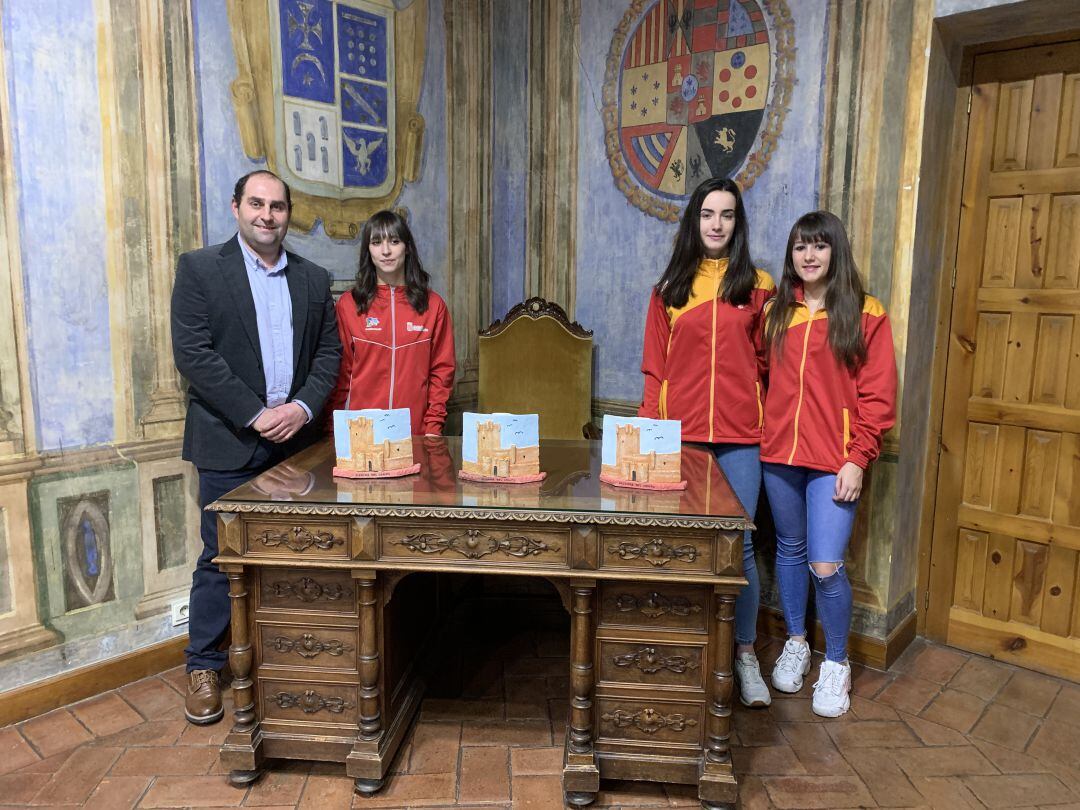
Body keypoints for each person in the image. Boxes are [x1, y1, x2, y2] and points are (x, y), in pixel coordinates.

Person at [171, 170, 341, 725]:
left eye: (277, 207)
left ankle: (289, 657)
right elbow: (195, 355)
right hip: (228, 442)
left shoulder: (315, 279)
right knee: (221, 559)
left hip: (298, 445)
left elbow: (327, 357)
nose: (267, 215)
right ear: (236, 206)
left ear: (289, 213)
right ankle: (203, 665)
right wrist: (257, 413)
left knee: (300, 555)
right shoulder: (199, 270)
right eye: (256, 204)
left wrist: (300, 409)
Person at [638, 177, 776, 708]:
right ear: (694, 222)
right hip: (682, 438)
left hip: (743, 439)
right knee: (685, 544)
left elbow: (772, 366)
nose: (716, 224)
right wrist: (652, 433)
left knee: (738, 546)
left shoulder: (758, 286)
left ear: (738, 224)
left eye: (727, 215)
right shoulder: (670, 287)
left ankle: (743, 656)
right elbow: (655, 370)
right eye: (707, 214)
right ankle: (691, 651)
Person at [760, 210, 896, 717]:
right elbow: (756, 375)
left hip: (835, 461)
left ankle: (836, 663)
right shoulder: (777, 312)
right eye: (800, 247)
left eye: (818, 246)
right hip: (778, 456)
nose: (809, 256)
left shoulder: (865, 312)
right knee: (791, 551)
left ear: (835, 250)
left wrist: (858, 457)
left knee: (825, 562)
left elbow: (878, 396)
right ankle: (797, 640)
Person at [325, 210, 455, 436]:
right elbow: (340, 375)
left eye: (394, 241)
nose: (386, 251)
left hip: (414, 433)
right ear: (368, 250)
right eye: (376, 242)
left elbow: (441, 372)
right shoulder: (349, 305)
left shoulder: (433, 306)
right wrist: (333, 429)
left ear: (407, 247)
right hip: (361, 434)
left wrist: (433, 427)